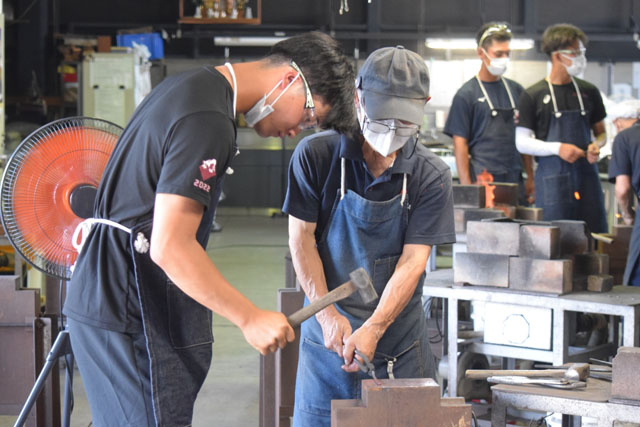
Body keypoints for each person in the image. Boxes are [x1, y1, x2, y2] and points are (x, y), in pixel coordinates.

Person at [63, 31, 356, 426]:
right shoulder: (208, 119)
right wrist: (248, 316)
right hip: (127, 306)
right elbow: (169, 245)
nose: (296, 131)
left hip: (107, 298)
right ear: (290, 80)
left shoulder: (190, 88)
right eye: (307, 117)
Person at [283, 46, 455, 426]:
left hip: (398, 343)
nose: (392, 130)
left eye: (404, 121)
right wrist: (328, 317)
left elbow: (413, 262)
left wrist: (375, 327)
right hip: (329, 339)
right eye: (382, 117)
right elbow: (301, 240)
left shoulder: (431, 174)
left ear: (424, 105)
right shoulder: (316, 155)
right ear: (358, 98)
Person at [516, 23, 608, 232]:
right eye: (575, 52)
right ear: (557, 56)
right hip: (552, 181)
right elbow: (521, 143)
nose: (580, 57)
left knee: (592, 235)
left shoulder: (589, 91)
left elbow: (601, 132)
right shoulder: (533, 95)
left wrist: (597, 145)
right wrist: (558, 148)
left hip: (587, 178)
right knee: (554, 239)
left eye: (581, 52)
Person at [444, 22, 534, 204]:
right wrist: (467, 188)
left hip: (514, 179)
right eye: (498, 54)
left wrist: (531, 177)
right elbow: (460, 144)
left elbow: (525, 137)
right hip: (483, 180)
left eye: (507, 54)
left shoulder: (516, 91)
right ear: (481, 53)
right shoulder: (466, 95)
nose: (504, 58)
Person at [608, 99, 640, 285]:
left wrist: (628, 215)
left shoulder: (625, 137)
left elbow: (622, 189)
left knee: (635, 281)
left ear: (618, 122)